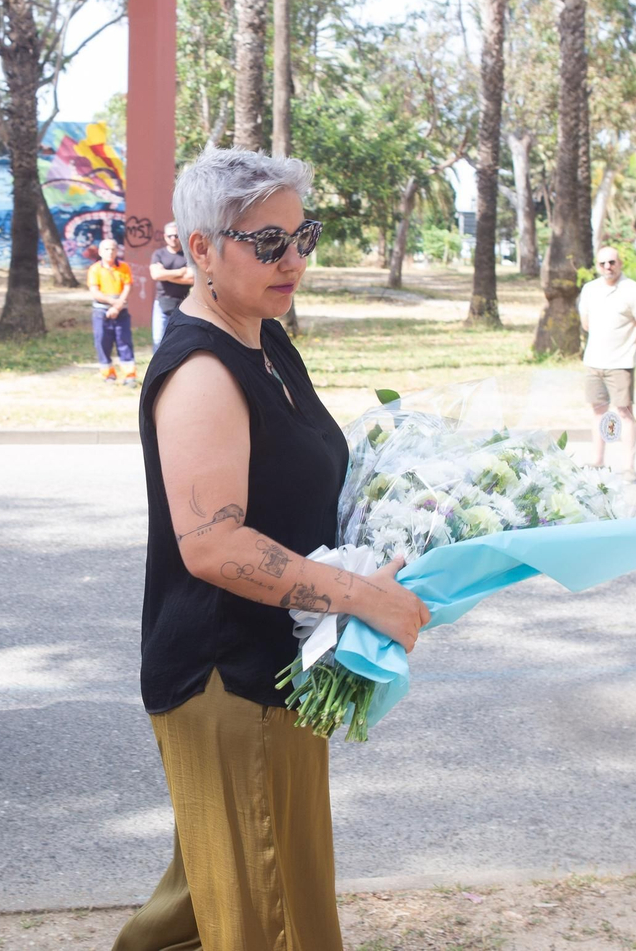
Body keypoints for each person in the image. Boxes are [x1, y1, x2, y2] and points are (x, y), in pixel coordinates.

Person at [113, 148, 428, 950]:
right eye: (269, 243)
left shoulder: (266, 342)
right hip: (231, 679)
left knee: (200, 906)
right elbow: (214, 546)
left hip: (277, 671)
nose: (295, 259)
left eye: (303, 235)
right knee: (267, 920)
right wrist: (361, 595)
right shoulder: (203, 370)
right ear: (202, 250)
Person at [577, 245, 636, 477]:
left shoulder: (632, 290)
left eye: (612, 262)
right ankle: (597, 461)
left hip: (620, 363)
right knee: (599, 411)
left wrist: (625, 342)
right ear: (597, 266)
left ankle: (628, 466)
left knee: (624, 413)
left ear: (619, 263)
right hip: (594, 361)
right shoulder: (590, 290)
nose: (608, 267)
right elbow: (586, 324)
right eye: (603, 263)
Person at [88, 237, 137, 386]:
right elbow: (95, 291)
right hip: (101, 312)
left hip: (121, 311)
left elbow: (128, 287)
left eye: (113, 249)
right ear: (100, 252)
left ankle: (129, 376)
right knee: (102, 341)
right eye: (106, 249)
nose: (110, 252)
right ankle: (108, 375)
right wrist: (112, 304)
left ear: (117, 251)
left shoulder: (124, 267)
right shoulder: (95, 269)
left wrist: (117, 306)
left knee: (124, 341)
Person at [148, 221, 193, 354]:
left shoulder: (187, 254)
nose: (173, 238)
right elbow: (156, 275)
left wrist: (165, 274)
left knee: (182, 339)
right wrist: (180, 272)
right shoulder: (158, 254)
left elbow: (191, 278)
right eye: (170, 236)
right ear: (164, 236)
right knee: (158, 340)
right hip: (162, 302)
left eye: (176, 236)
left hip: (182, 303)